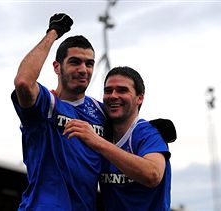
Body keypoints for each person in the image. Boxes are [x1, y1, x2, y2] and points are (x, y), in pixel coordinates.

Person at [11, 13, 108, 211]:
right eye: (75, 62)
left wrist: (154, 131)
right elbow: (23, 81)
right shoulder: (47, 103)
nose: (83, 69)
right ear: (57, 67)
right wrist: (53, 33)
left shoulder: (101, 113)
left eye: (89, 64)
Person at [64, 66, 172, 211]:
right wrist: (58, 98)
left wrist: (98, 142)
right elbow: (76, 103)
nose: (113, 96)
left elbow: (153, 175)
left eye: (122, 90)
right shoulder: (100, 129)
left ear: (139, 98)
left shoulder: (148, 133)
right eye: (108, 91)